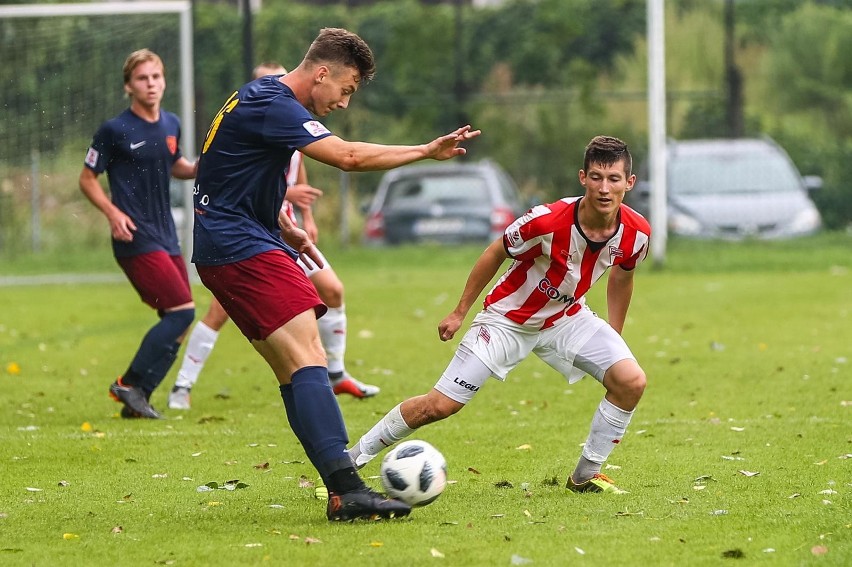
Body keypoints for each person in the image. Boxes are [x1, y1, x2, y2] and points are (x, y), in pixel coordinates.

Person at [192, 28, 480, 521]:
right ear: (321, 73)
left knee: (293, 368)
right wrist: (425, 150)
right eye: (345, 89)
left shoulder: (256, 96)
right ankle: (346, 488)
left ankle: (341, 487)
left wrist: (283, 226)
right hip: (238, 247)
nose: (344, 102)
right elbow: (347, 157)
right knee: (309, 357)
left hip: (230, 243)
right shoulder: (276, 104)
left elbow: (229, 173)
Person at [348, 135, 650, 494]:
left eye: (614, 178)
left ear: (628, 183)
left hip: (566, 318)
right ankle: (348, 463)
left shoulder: (637, 233)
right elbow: (496, 251)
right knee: (439, 406)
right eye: (597, 177)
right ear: (582, 177)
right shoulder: (546, 221)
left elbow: (622, 275)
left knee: (631, 381)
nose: (604, 187)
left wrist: (614, 333)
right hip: (507, 320)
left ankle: (585, 476)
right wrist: (460, 311)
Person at [167, 62, 380, 411]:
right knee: (220, 315)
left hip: (282, 232)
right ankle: (182, 386)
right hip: (247, 236)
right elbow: (244, 181)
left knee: (333, 289)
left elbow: (297, 177)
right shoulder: (260, 112)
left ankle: (337, 373)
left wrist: (305, 216)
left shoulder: (297, 120)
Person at [79, 49, 197, 419]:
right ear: (129, 85)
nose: (151, 84)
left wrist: (198, 167)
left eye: (156, 77)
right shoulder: (114, 130)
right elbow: (86, 180)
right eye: (143, 78)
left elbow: (175, 164)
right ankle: (129, 383)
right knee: (181, 312)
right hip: (134, 237)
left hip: (166, 234)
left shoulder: (171, 123)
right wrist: (112, 213)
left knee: (180, 320)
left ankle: (139, 396)